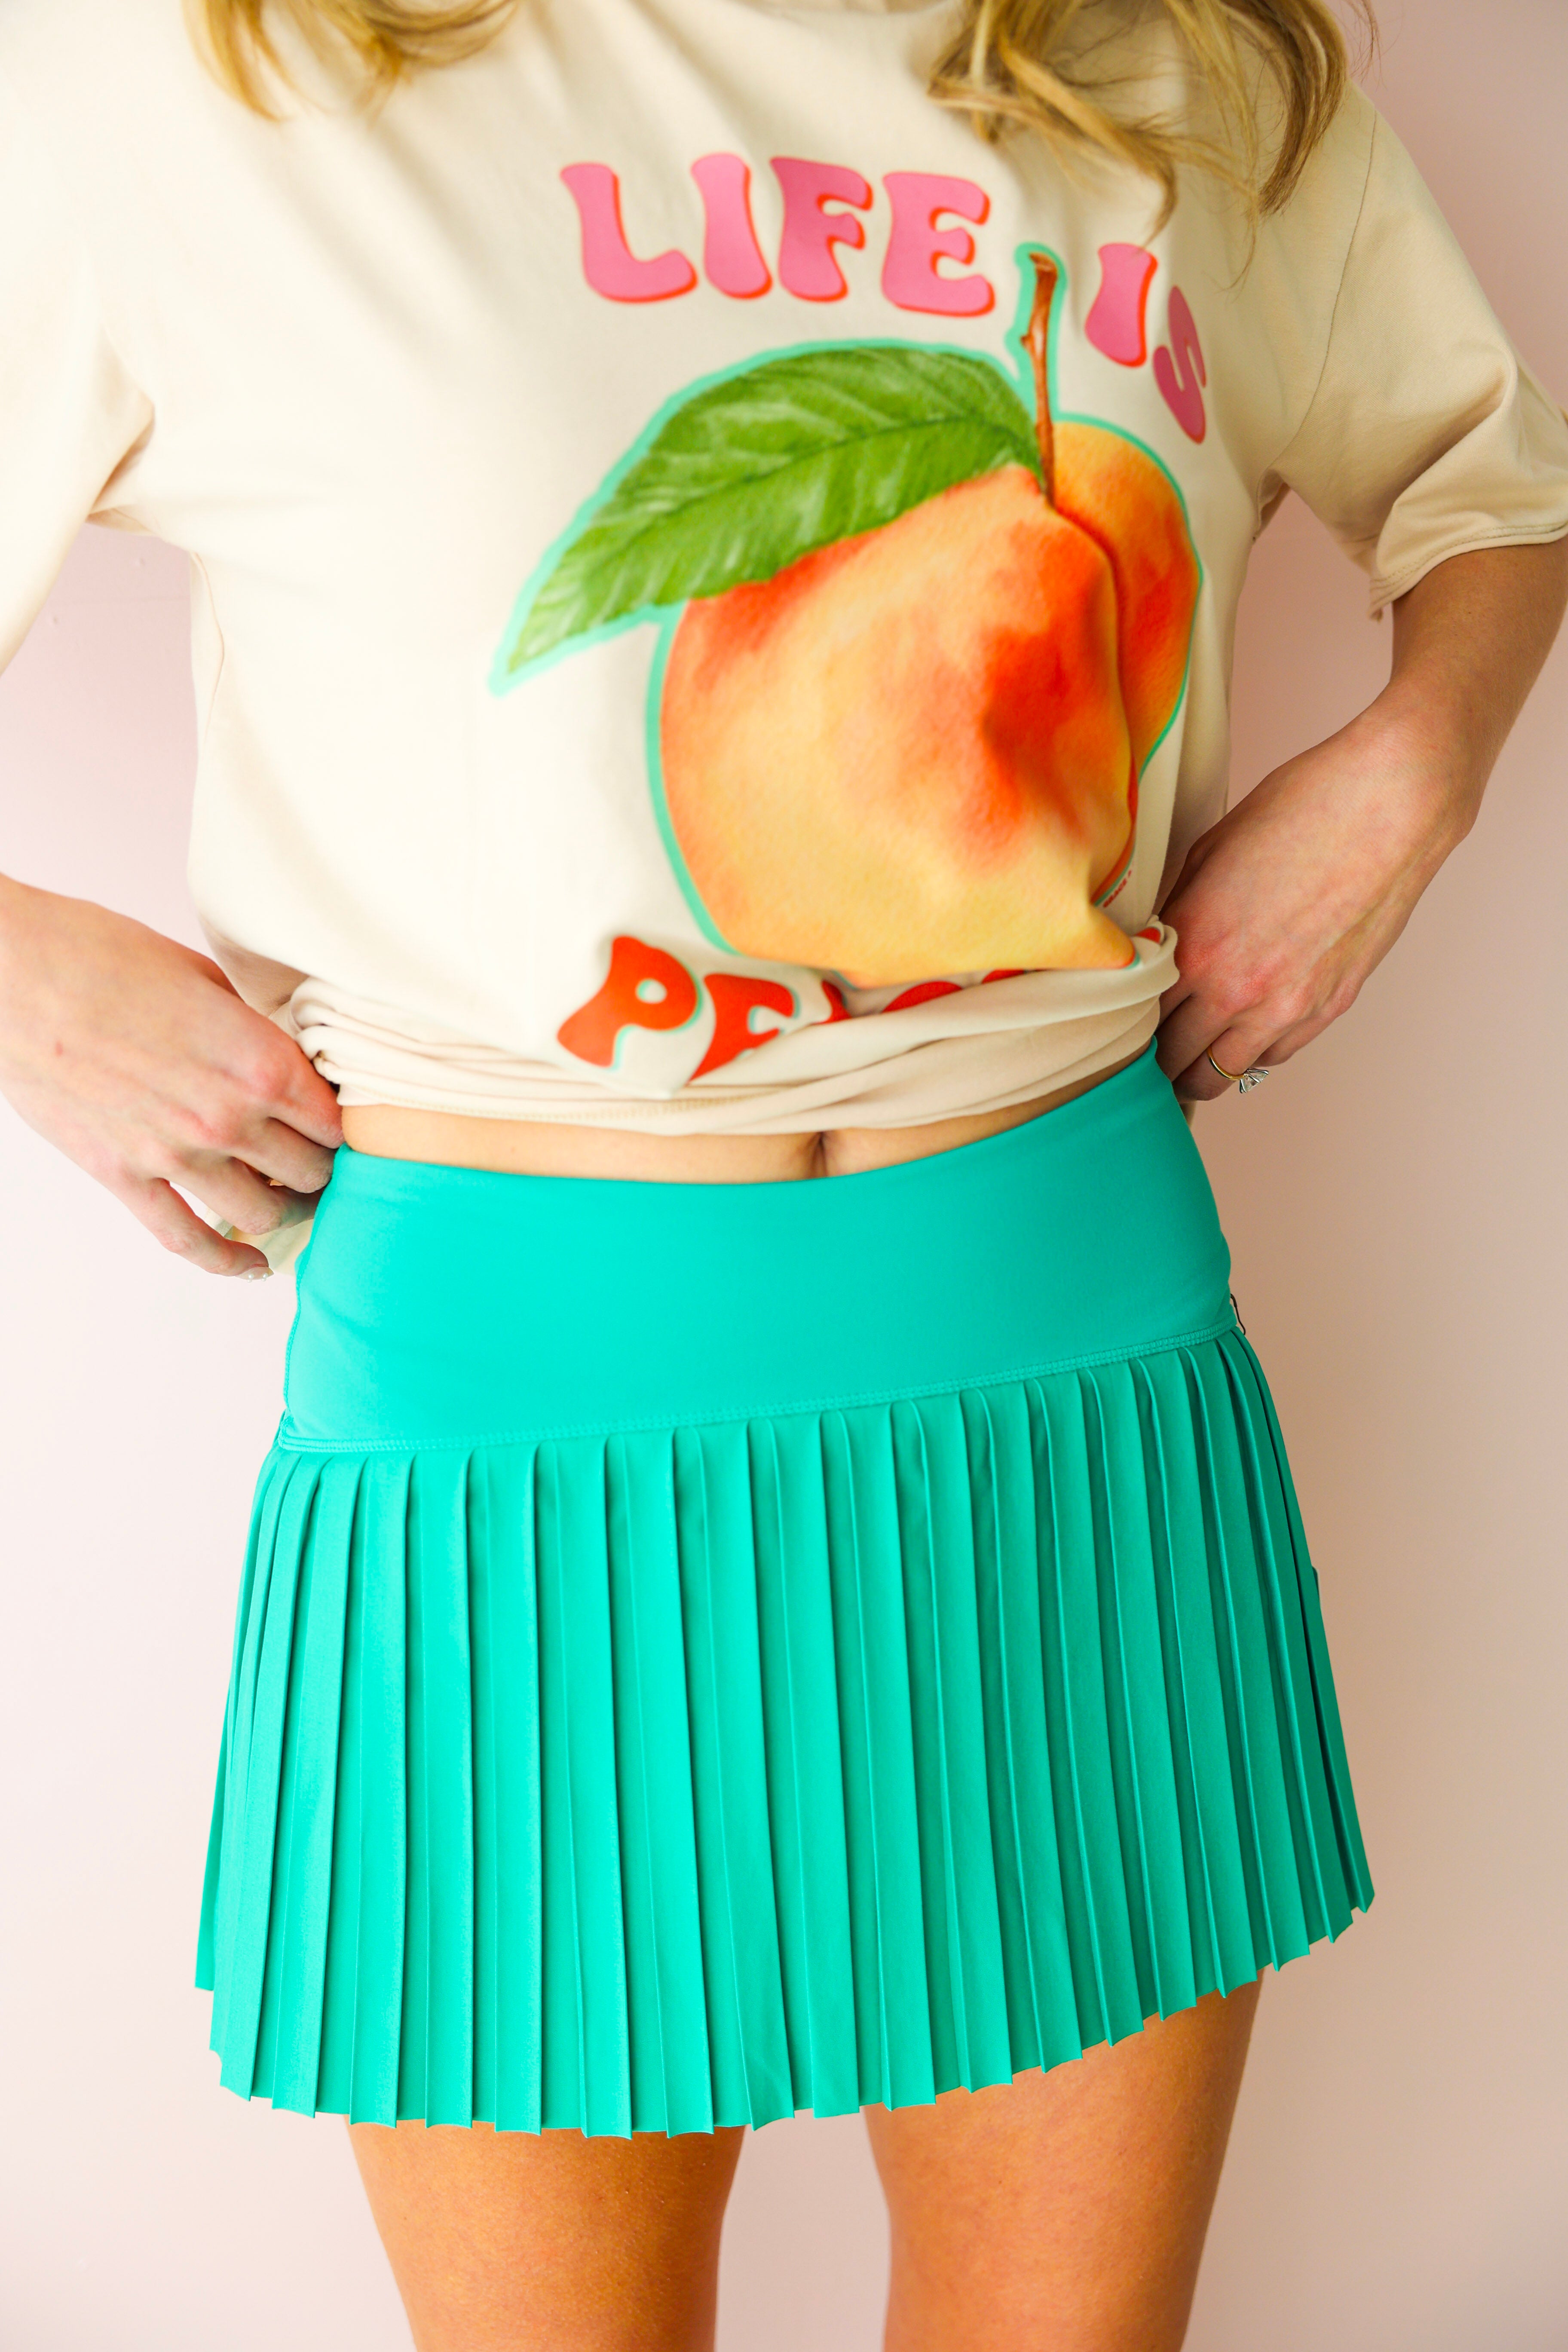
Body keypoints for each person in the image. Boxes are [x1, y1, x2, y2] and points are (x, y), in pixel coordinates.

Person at [1, 0, 1565, 2343]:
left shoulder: (1176, 67)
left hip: (1078, 1389)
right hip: (513, 1453)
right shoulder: (196, 73)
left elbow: (1494, 487)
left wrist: (1415, 771)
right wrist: (29, 983)